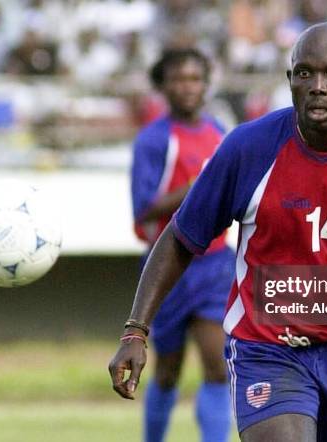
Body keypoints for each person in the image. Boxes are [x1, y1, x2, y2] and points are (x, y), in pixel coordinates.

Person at [109, 23, 327, 442]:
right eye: (305, 73)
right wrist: (136, 329)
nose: (318, 86)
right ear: (290, 80)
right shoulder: (247, 149)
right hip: (266, 349)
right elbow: (181, 237)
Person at [127, 48, 236, 442]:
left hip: (215, 265)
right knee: (168, 369)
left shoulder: (220, 132)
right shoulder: (153, 140)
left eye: (194, 79)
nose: (187, 87)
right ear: (163, 86)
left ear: (206, 84)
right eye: (177, 79)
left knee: (217, 364)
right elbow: (143, 209)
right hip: (169, 265)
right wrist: (194, 190)